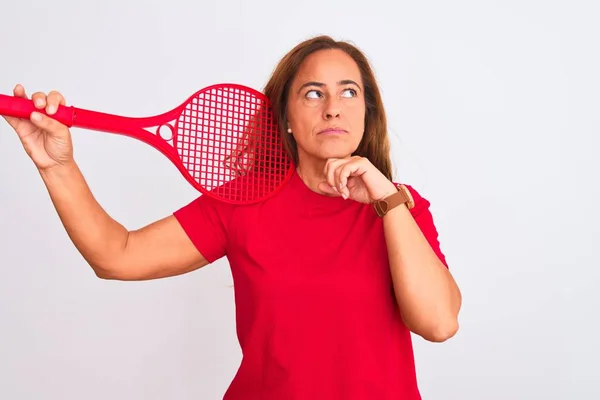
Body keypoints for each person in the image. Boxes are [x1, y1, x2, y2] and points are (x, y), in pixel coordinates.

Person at [3, 35, 462, 399]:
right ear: (284, 115)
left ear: (366, 111)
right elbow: (116, 256)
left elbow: (438, 324)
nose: (333, 106)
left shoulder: (401, 208)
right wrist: (56, 164)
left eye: (349, 91)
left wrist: (386, 198)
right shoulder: (244, 203)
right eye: (312, 93)